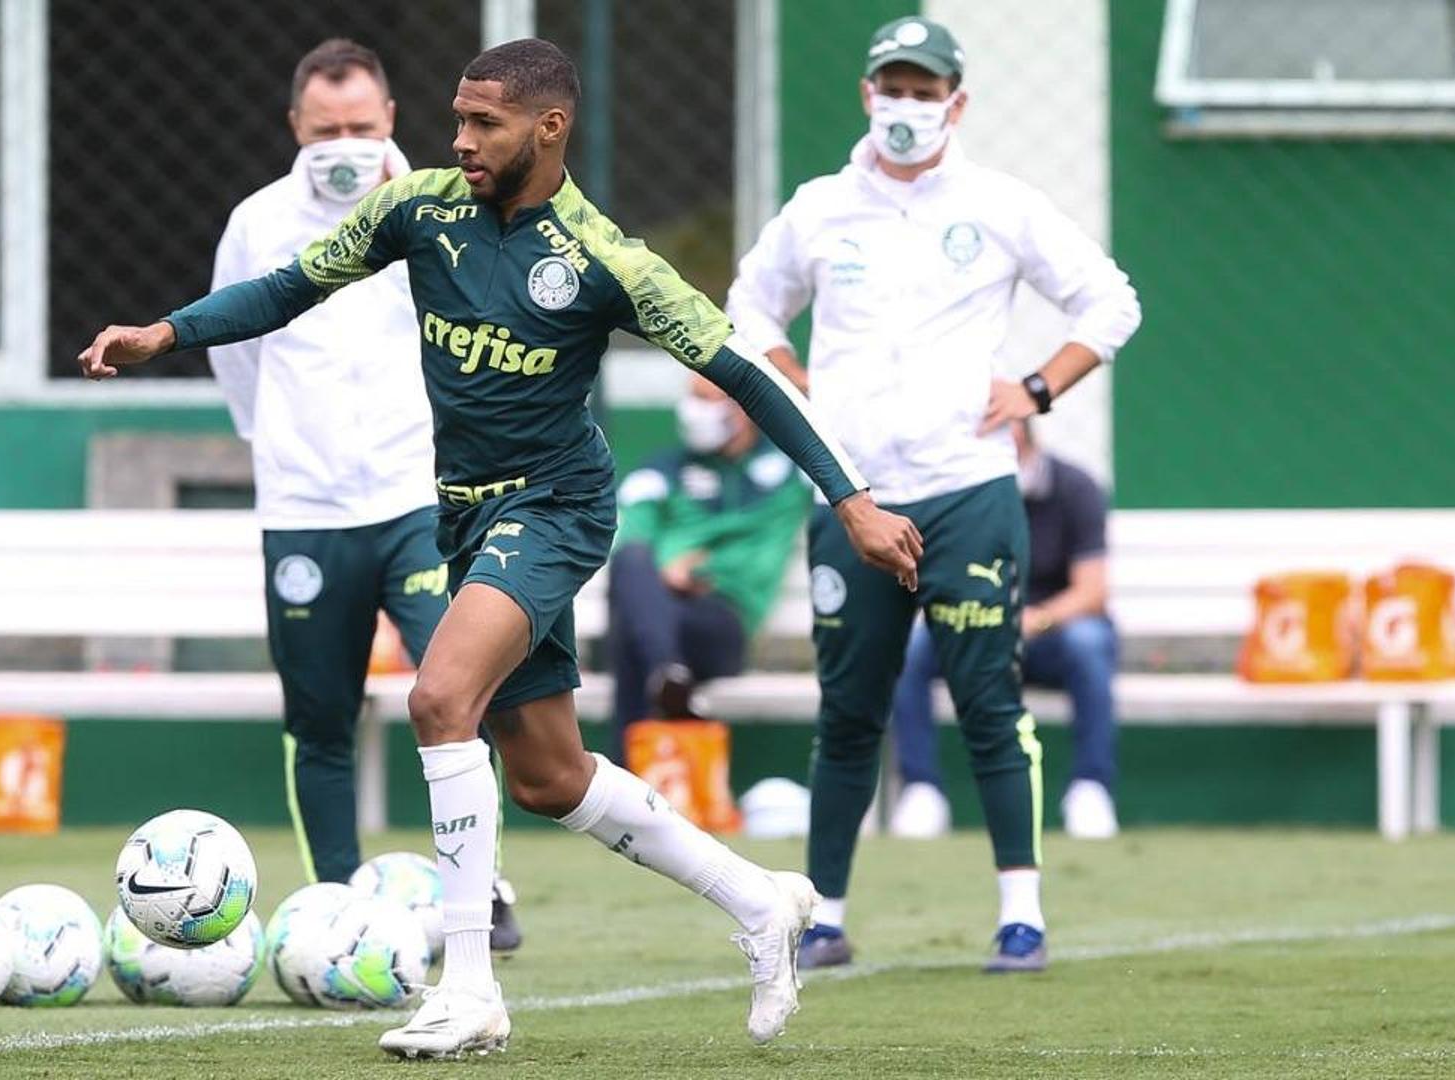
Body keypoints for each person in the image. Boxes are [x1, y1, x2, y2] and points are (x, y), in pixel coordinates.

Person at [78, 37, 923, 1058]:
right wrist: (163, 334)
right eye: (458, 119)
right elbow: (288, 287)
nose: (461, 140)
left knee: (440, 700)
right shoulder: (418, 209)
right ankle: (760, 901)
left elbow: (746, 373)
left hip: (557, 509)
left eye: (485, 124)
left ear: (549, 127)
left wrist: (852, 502)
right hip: (466, 514)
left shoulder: (606, 260)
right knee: (548, 778)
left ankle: (468, 989)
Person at [725, 16, 1140, 975]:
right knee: (848, 710)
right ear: (866, 94)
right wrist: (797, 384)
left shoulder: (1001, 203)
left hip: (968, 488)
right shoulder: (821, 206)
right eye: (892, 87)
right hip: (851, 496)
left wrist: (1036, 389)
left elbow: (1111, 300)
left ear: (958, 103)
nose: (906, 106)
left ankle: (1021, 916)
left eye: (925, 90)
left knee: (990, 702)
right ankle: (820, 917)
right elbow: (750, 306)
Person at [202, 38, 525, 950]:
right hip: (304, 509)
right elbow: (235, 346)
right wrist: (274, 442)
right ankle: (335, 910)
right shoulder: (259, 221)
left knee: (455, 693)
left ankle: (482, 891)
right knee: (320, 717)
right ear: (296, 128)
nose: (341, 143)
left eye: (358, 125)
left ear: (390, 118)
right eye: (324, 128)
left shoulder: (445, 206)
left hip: (422, 499)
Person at [889, 419, 1120, 841]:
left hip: (1052, 635)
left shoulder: (1076, 488)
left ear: (1031, 439)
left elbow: (1092, 592)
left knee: (1090, 643)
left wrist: (1036, 620)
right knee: (909, 649)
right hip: (974, 631)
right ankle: (921, 789)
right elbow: (935, 579)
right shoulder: (957, 495)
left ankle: (1091, 788)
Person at [606, 374, 811, 757]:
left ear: (742, 408)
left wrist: (699, 570)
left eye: (707, 398)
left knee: (633, 632)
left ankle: (628, 774)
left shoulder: (786, 471)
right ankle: (668, 677)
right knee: (632, 567)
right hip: (659, 606)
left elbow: (757, 562)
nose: (693, 410)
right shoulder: (662, 470)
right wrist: (669, 569)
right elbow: (630, 536)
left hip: (722, 622)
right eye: (692, 397)